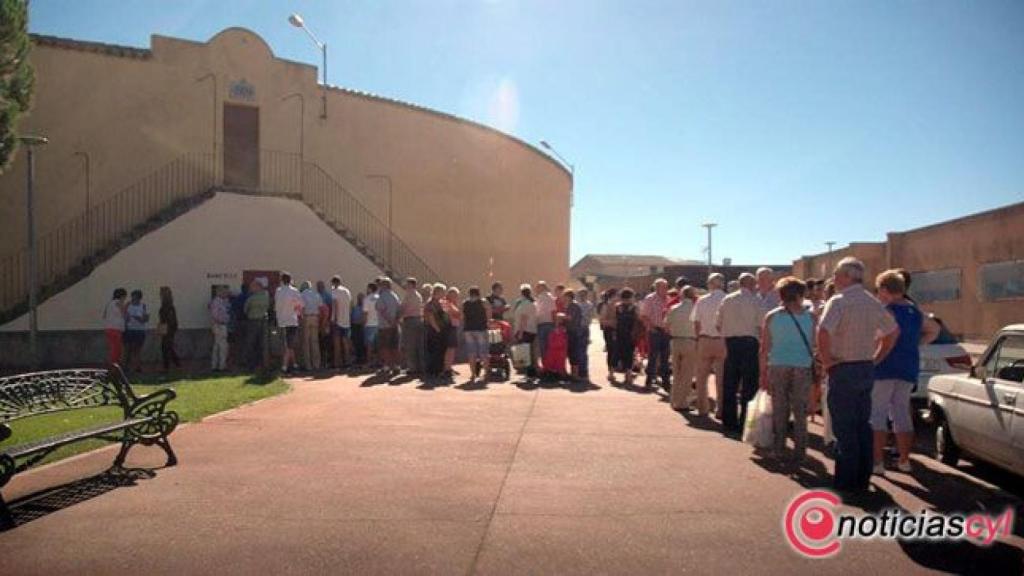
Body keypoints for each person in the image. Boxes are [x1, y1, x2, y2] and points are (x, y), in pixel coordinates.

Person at [817, 257, 899, 493]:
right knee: (862, 424)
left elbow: (823, 331)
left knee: (844, 427)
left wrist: (826, 361)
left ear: (846, 276)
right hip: (864, 367)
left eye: (836, 274)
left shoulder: (839, 301)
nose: (834, 278)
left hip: (843, 367)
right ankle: (862, 477)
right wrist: (876, 358)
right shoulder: (872, 302)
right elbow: (893, 332)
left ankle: (846, 481)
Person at [871, 270, 924, 475]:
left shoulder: (887, 311)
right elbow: (931, 330)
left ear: (885, 290)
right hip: (908, 366)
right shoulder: (915, 311)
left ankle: (877, 462)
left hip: (885, 367)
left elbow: (884, 339)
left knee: (878, 414)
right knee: (901, 413)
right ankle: (904, 460)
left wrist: (875, 360)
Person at [760, 277, 816, 466]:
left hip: (778, 365)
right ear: (801, 295)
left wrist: (763, 374)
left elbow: (764, 348)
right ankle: (800, 451)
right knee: (800, 411)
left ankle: (778, 449)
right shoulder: (811, 317)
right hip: (802, 366)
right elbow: (815, 344)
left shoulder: (771, 317)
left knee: (779, 409)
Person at [716, 273, 763, 434]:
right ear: (751, 284)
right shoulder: (756, 300)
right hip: (750, 343)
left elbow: (718, 324)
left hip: (731, 343)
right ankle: (745, 421)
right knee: (749, 385)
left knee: (730, 383)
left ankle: (729, 420)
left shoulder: (727, 299)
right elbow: (761, 324)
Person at [692, 273, 727, 417]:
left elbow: (696, 322)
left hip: (705, 339)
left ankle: (703, 408)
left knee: (701, 377)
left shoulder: (702, 300)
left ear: (710, 284)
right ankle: (721, 409)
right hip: (722, 341)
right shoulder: (728, 300)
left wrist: (698, 338)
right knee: (721, 378)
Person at [667, 286, 698, 411]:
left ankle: (674, 400)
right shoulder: (695, 309)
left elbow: (666, 324)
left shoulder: (673, 308)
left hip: (675, 341)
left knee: (676, 372)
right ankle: (682, 402)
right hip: (690, 341)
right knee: (687, 373)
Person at [639, 279, 671, 389]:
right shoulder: (650, 299)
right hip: (655, 331)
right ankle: (649, 380)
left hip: (666, 331)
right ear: (657, 288)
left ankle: (666, 381)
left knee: (665, 358)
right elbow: (643, 315)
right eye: (663, 287)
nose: (666, 289)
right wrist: (651, 328)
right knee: (653, 356)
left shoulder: (668, 299)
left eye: (666, 287)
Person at [275, 273, 303, 373]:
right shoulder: (294, 291)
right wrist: (298, 314)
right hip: (291, 320)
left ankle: (294, 365)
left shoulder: (278, 291)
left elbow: (276, 305)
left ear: (282, 280)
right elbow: (300, 305)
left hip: (281, 321)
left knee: (287, 344)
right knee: (289, 345)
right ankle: (285, 366)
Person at [462, 286, 491, 381]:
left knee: (471, 353)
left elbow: (462, 316)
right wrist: (488, 322)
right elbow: (489, 312)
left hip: (468, 329)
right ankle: (486, 373)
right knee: (483, 352)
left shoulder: (465, 303)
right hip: (481, 329)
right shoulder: (483, 302)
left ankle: (473, 374)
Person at [613, 288, 640, 385]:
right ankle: (628, 374)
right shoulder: (634, 307)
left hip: (620, 333)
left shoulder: (618, 307)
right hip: (630, 334)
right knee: (629, 354)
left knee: (619, 353)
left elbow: (615, 321)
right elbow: (638, 320)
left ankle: (617, 373)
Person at [424, 284, 451, 379]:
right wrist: (438, 329)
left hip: (440, 330)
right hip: (434, 331)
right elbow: (430, 317)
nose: (444, 294)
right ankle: (434, 371)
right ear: (438, 292)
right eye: (443, 292)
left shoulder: (439, 303)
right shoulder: (431, 303)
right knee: (435, 351)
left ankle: (439, 370)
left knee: (441, 351)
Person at [376, 278, 402, 375]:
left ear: (384, 286)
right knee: (394, 346)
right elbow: (399, 310)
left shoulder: (382, 297)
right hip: (395, 325)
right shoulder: (395, 296)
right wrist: (396, 321)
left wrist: (390, 321)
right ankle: (396, 366)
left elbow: (382, 310)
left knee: (385, 346)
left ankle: (387, 366)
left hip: (384, 326)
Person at [511, 284, 539, 376]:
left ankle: (529, 371)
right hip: (531, 330)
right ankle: (531, 371)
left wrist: (520, 333)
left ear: (522, 293)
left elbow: (524, 319)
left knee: (525, 351)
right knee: (528, 351)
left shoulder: (525, 304)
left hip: (525, 330)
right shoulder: (531, 303)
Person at [399, 277, 425, 375]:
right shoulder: (418, 295)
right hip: (418, 319)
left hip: (410, 320)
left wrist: (398, 317)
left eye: (407, 284)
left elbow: (403, 307)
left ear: (411, 285)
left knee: (410, 344)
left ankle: (412, 367)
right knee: (418, 344)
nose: (406, 285)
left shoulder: (409, 295)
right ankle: (420, 366)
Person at [243, 280, 270, 371]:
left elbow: (245, 309)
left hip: (253, 321)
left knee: (251, 342)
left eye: (252, 287)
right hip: (264, 321)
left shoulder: (252, 298)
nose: (251, 289)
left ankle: (251, 364)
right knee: (263, 343)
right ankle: (264, 364)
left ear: (258, 287)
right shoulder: (266, 296)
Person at [299, 281, 323, 371]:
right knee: (315, 341)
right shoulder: (316, 294)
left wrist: (301, 319)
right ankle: (317, 364)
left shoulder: (302, 295)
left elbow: (301, 308)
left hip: (306, 317)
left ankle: (308, 365)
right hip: (315, 317)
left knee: (306, 342)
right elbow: (321, 307)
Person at [329, 276, 353, 370]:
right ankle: (347, 362)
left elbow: (335, 305)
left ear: (334, 283)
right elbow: (350, 305)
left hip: (338, 320)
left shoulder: (335, 291)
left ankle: (337, 363)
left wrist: (333, 318)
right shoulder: (347, 291)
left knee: (337, 343)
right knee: (346, 342)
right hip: (346, 320)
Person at [123, 290, 149, 372]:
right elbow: (124, 316)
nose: (133, 299)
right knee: (128, 349)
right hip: (129, 329)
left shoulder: (143, 306)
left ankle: (137, 366)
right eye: (133, 297)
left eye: (136, 297)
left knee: (137, 350)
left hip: (139, 330)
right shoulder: (128, 305)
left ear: (139, 298)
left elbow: (146, 319)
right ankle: (125, 366)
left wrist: (139, 318)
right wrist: (126, 318)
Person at [564, 290, 587, 380]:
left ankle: (576, 374)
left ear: (569, 297)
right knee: (571, 353)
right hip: (571, 331)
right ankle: (573, 373)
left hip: (574, 332)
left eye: (565, 296)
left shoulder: (573, 306)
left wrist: (560, 316)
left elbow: (570, 318)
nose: (564, 298)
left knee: (574, 353)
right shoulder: (571, 306)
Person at [157, 286, 181, 373]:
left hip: (168, 329)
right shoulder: (167, 305)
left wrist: (165, 328)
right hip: (168, 328)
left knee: (166, 347)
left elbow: (169, 319)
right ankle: (176, 364)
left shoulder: (168, 306)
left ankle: (167, 366)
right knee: (168, 347)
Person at [598, 288, 619, 380]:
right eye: (616, 295)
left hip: (619, 331)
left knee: (617, 351)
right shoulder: (606, 306)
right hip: (610, 330)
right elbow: (602, 320)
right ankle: (611, 372)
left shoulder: (619, 306)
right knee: (611, 351)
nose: (618, 297)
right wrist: (613, 323)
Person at [209, 286, 231, 371]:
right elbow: (215, 315)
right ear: (220, 293)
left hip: (221, 325)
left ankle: (215, 365)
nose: (226, 294)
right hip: (219, 325)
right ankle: (222, 366)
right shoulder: (216, 302)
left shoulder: (223, 301)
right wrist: (221, 320)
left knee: (217, 345)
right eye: (225, 292)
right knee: (222, 346)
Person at [104, 288, 128, 365]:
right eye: (125, 296)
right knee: (117, 349)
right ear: (122, 296)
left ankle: (113, 364)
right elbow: (124, 314)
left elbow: (104, 315)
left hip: (108, 328)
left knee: (114, 347)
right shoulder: (119, 303)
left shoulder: (109, 303)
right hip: (116, 329)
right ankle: (114, 365)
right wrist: (126, 307)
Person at [534, 281, 557, 361]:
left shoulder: (539, 298)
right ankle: (551, 363)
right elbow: (553, 312)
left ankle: (546, 363)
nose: (536, 289)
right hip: (550, 324)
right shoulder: (551, 298)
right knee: (550, 345)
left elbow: (536, 312)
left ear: (542, 288)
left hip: (542, 324)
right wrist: (555, 324)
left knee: (543, 346)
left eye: (538, 287)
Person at [443, 287, 463, 377]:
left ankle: (449, 367)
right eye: (455, 295)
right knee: (449, 349)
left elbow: (459, 315)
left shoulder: (453, 304)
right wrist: (457, 313)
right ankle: (446, 369)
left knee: (453, 349)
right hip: (448, 327)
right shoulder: (446, 303)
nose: (457, 298)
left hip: (454, 326)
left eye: (457, 296)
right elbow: (456, 314)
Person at [363, 282, 380, 368]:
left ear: (370, 289)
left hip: (369, 324)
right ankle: (378, 361)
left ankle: (369, 362)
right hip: (379, 324)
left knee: (369, 345)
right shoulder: (379, 298)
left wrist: (364, 323)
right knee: (378, 344)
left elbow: (365, 313)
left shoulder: (367, 299)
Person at [351, 292, 368, 367]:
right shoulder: (355, 308)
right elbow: (352, 317)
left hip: (362, 327)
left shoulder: (365, 308)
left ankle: (363, 358)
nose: (359, 300)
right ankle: (358, 358)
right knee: (356, 343)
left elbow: (364, 318)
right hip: (355, 326)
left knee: (363, 343)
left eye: (361, 299)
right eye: (358, 298)